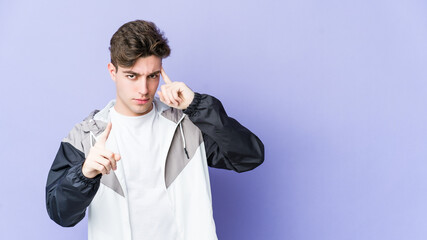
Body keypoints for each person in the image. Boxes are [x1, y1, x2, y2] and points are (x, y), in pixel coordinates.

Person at [45, 20, 264, 240]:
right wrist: (85, 174)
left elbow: (249, 157)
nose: (144, 89)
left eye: (153, 76)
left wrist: (197, 106)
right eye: (132, 76)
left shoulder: (187, 126)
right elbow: (61, 215)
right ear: (113, 71)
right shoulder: (86, 136)